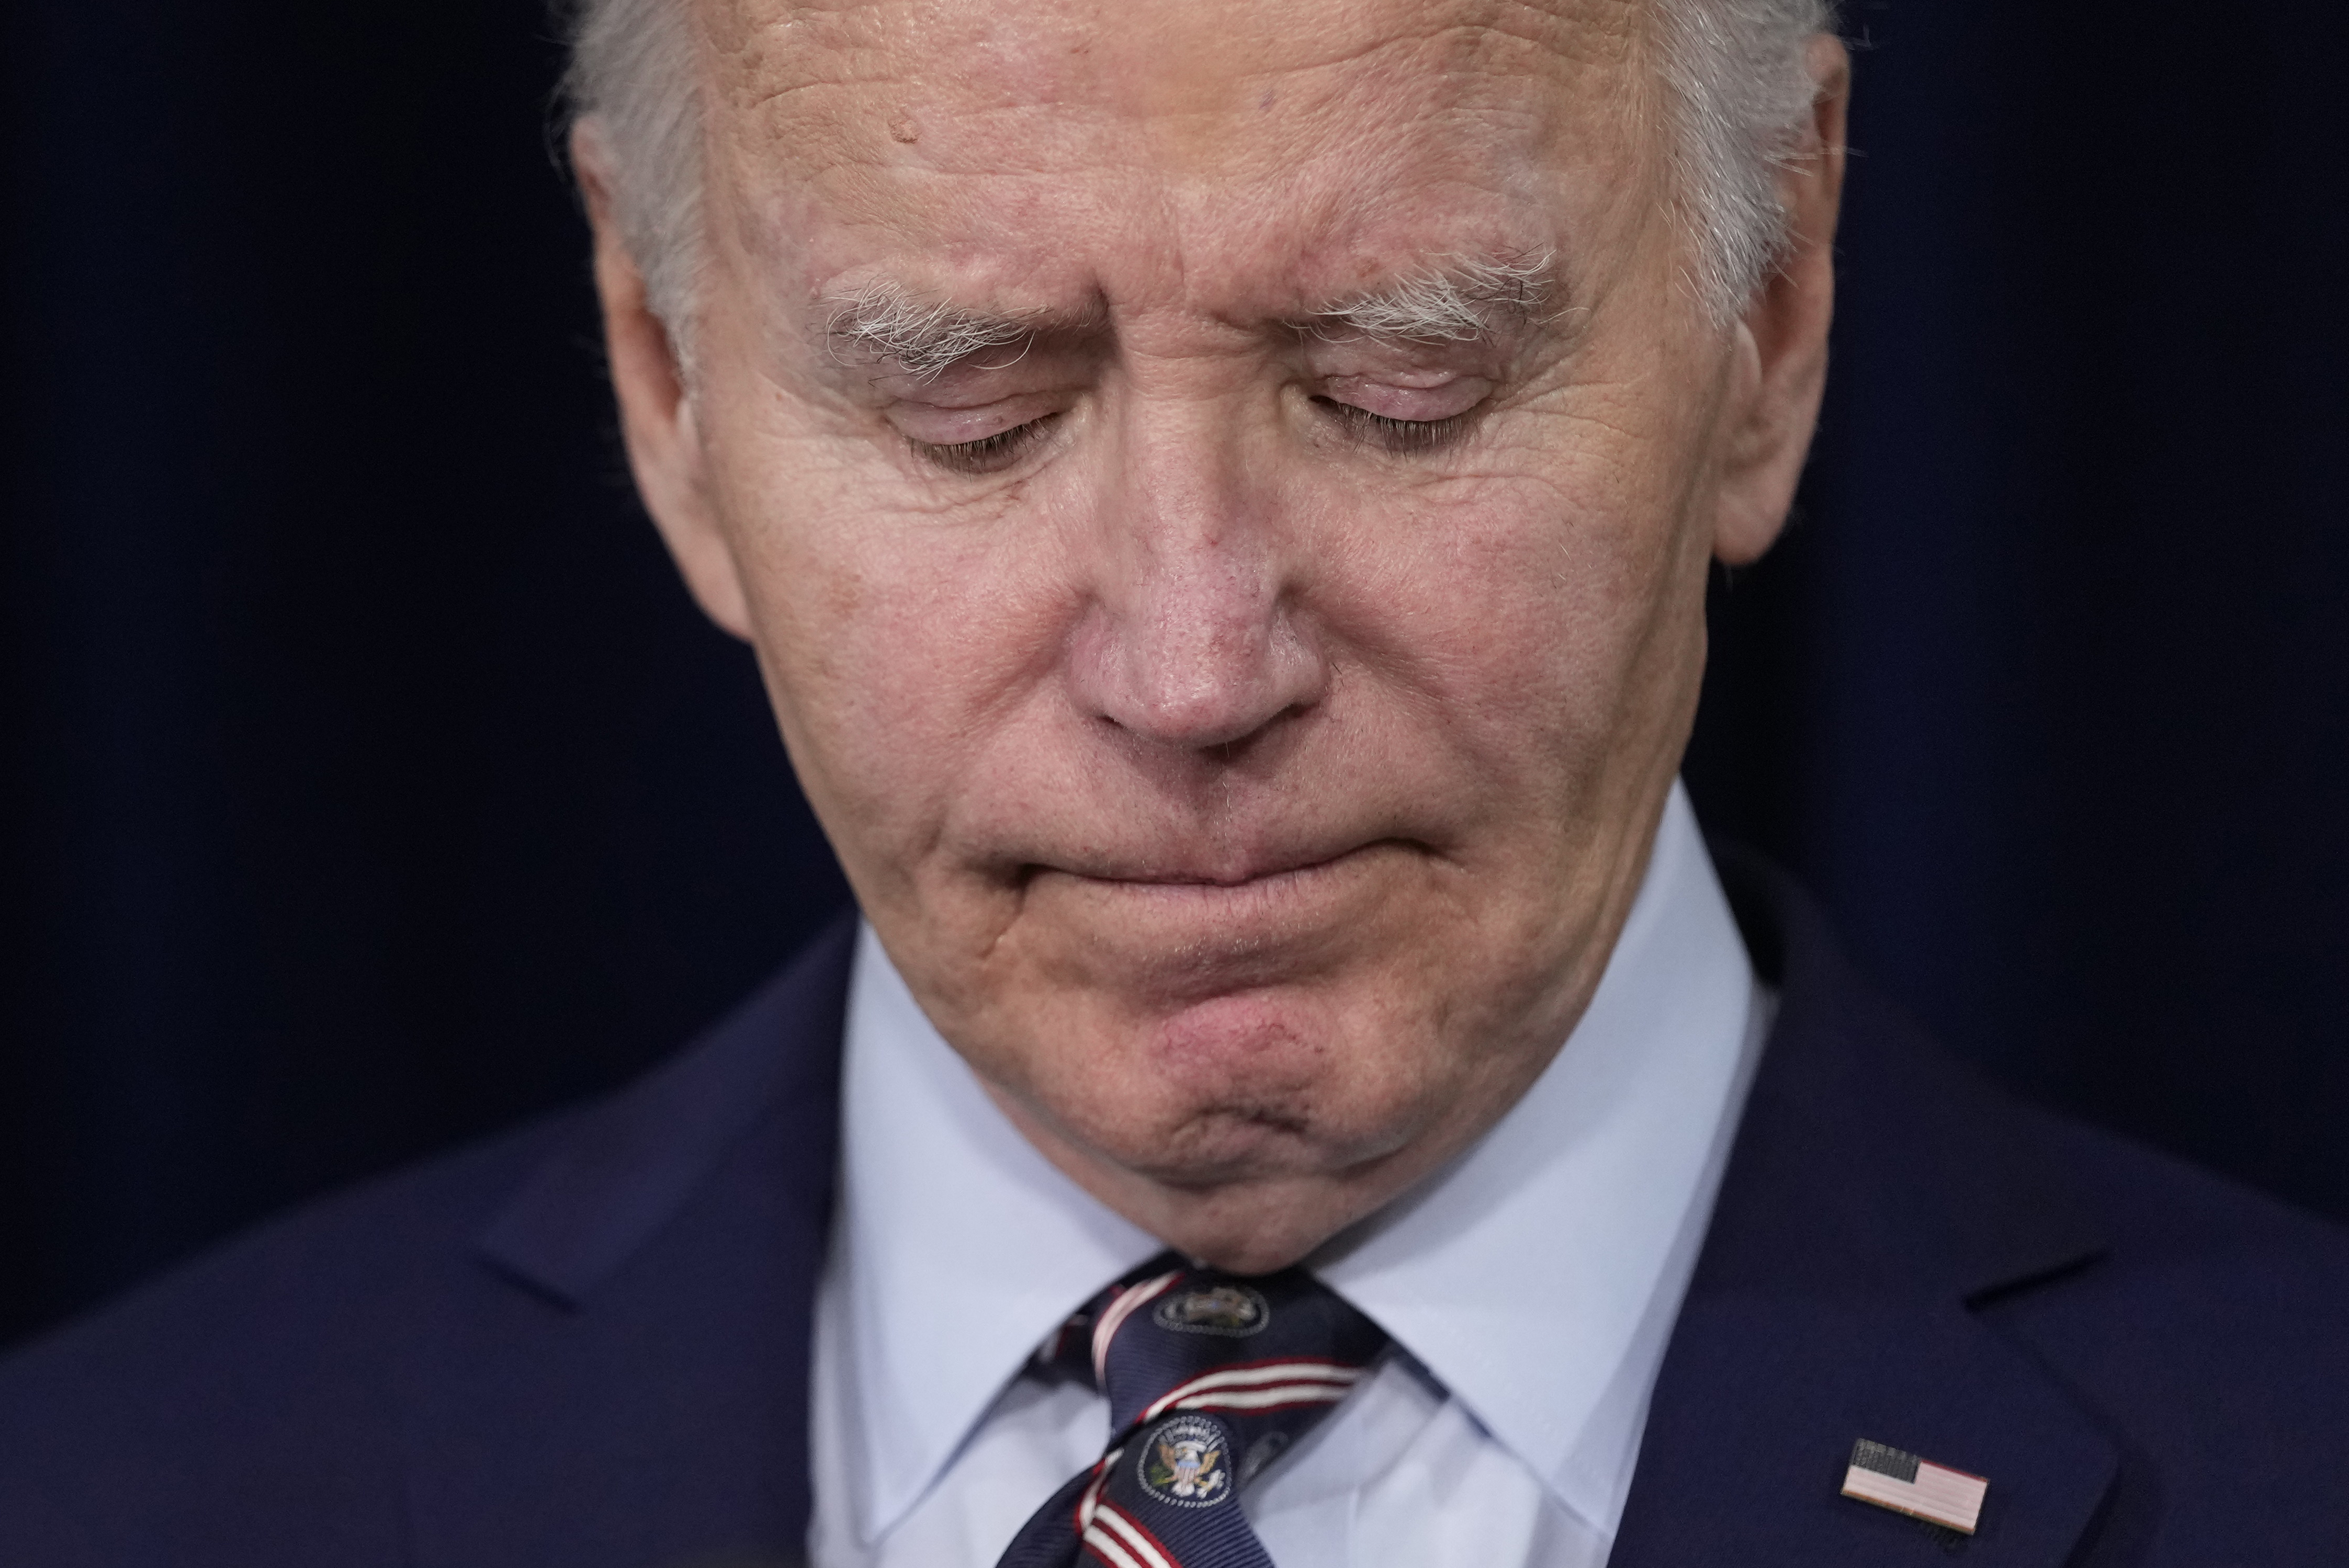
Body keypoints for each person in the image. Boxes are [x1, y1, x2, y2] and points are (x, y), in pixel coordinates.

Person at [2, 0, 2344, 1563]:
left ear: (1775, 306)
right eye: (973, 408)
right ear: (662, 382)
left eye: (1401, 378)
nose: (1197, 663)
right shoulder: (119, 1496)